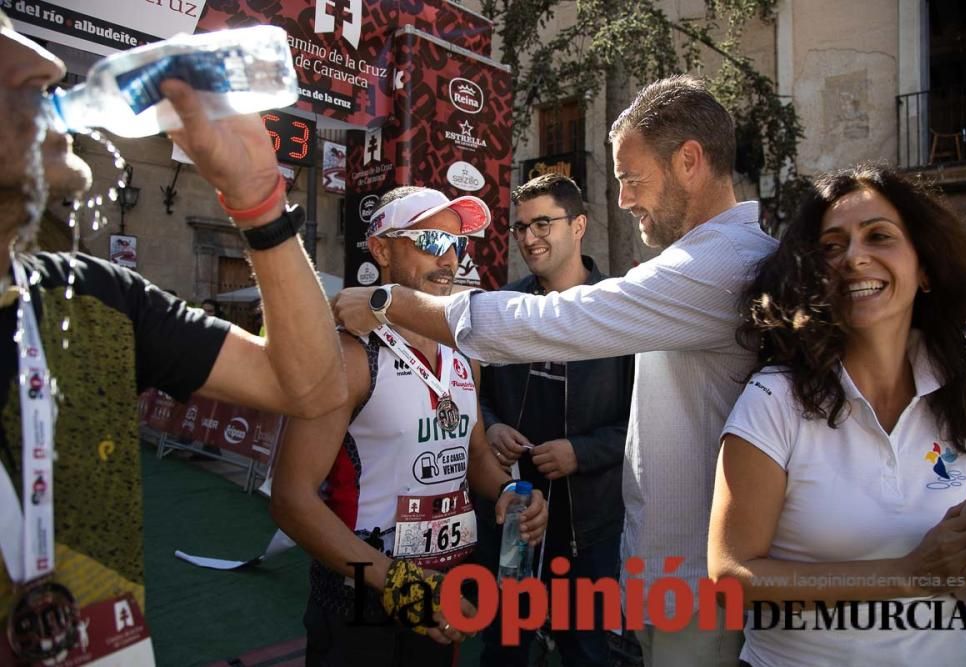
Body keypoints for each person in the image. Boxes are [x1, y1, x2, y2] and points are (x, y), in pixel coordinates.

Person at [333, 74, 774, 665]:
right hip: (652, 573)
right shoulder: (705, 263)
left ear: (689, 161)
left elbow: (556, 322)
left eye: (631, 179)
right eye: (425, 239)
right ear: (381, 248)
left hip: (688, 585)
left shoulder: (718, 265)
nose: (622, 199)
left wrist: (391, 302)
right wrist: (507, 477)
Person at [0, 13, 347, 663]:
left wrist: (258, 201)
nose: (45, 69)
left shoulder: (93, 296)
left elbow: (310, 387)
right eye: (2, 59)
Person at [707, 165, 966, 666]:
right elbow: (731, 576)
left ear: (925, 267)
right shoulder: (774, 399)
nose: (855, 258)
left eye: (879, 236)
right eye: (831, 246)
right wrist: (909, 573)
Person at [270, 186, 549, 667]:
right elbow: (291, 499)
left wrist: (508, 491)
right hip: (361, 599)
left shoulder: (463, 352)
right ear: (381, 249)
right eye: (430, 242)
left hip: (445, 591)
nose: (450, 261)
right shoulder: (350, 355)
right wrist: (400, 584)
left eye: (457, 245)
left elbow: (475, 456)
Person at [473, 173, 633, 667]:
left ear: (579, 224)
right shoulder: (503, 305)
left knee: (585, 651)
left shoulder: (620, 311)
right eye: (520, 227)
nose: (528, 238)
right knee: (504, 647)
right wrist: (492, 425)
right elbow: (470, 397)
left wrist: (579, 452)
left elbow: (644, 427)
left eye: (543, 223)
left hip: (588, 526)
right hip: (514, 518)